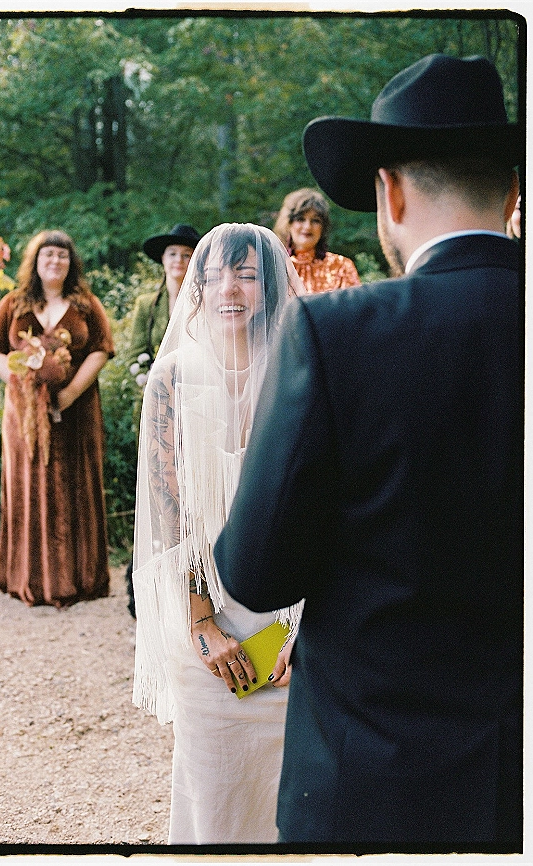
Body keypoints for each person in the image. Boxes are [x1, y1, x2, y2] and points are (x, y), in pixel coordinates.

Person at [214, 54, 523, 850]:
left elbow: (255, 571)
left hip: (376, 785)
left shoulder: (337, 333)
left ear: (388, 193)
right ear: (513, 192)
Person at [131, 223, 305, 844]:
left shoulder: (299, 372)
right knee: (213, 789)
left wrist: (300, 627)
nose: (231, 288)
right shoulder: (174, 378)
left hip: (289, 620)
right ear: (196, 287)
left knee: (290, 801)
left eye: (249, 274)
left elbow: (324, 506)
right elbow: (167, 508)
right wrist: (203, 625)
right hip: (202, 607)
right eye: (216, 274)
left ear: (272, 285)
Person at [0, 229, 115, 608]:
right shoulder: (14, 304)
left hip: (77, 415)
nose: (55, 261)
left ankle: (81, 579)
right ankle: (27, 579)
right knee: (28, 486)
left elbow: (101, 350)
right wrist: (22, 382)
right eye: (47, 255)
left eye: (62, 255)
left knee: (76, 485)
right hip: (24, 417)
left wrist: (69, 395)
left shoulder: (87, 305)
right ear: (35, 262)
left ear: (71, 264)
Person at [125, 223, 202, 617]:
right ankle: (143, 588)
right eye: (173, 254)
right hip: (160, 404)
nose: (179, 261)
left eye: (187, 255)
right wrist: (154, 382)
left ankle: (194, 582)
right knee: (158, 486)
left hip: (200, 400)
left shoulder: (204, 299)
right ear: (164, 261)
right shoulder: (146, 304)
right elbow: (136, 350)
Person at [273, 187, 360, 293]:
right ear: (288, 223)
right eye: (300, 219)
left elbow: (355, 308)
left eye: (315, 220)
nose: (307, 227)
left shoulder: (341, 266)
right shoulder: (275, 267)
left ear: (323, 227)